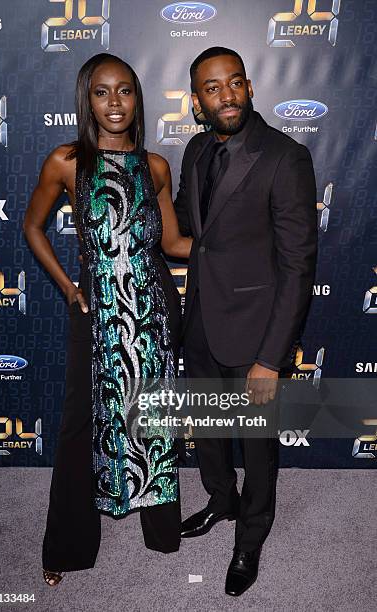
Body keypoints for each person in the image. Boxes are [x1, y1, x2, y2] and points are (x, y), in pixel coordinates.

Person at [23, 53, 192, 586]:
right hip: (96, 309)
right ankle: (67, 546)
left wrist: (233, 244)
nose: (114, 102)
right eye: (102, 92)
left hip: (153, 306)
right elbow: (32, 227)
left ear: (137, 98)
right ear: (87, 98)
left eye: (124, 90)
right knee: (80, 424)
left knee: (153, 416)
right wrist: (71, 287)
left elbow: (171, 243)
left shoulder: (156, 166)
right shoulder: (67, 161)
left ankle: (162, 531)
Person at [174, 47, 318, 597]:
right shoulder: (193, 150)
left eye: (234, 83)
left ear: (250, 87)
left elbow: (298, 264)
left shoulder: (285, 157)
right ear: (197, 100)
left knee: (258, 446)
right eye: (213, 88)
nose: (226, 95)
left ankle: (251, 537)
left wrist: (270, 358)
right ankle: (220, 500)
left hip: (257, 332)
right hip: (203, 324)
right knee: (210, 434)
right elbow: (191, 225)